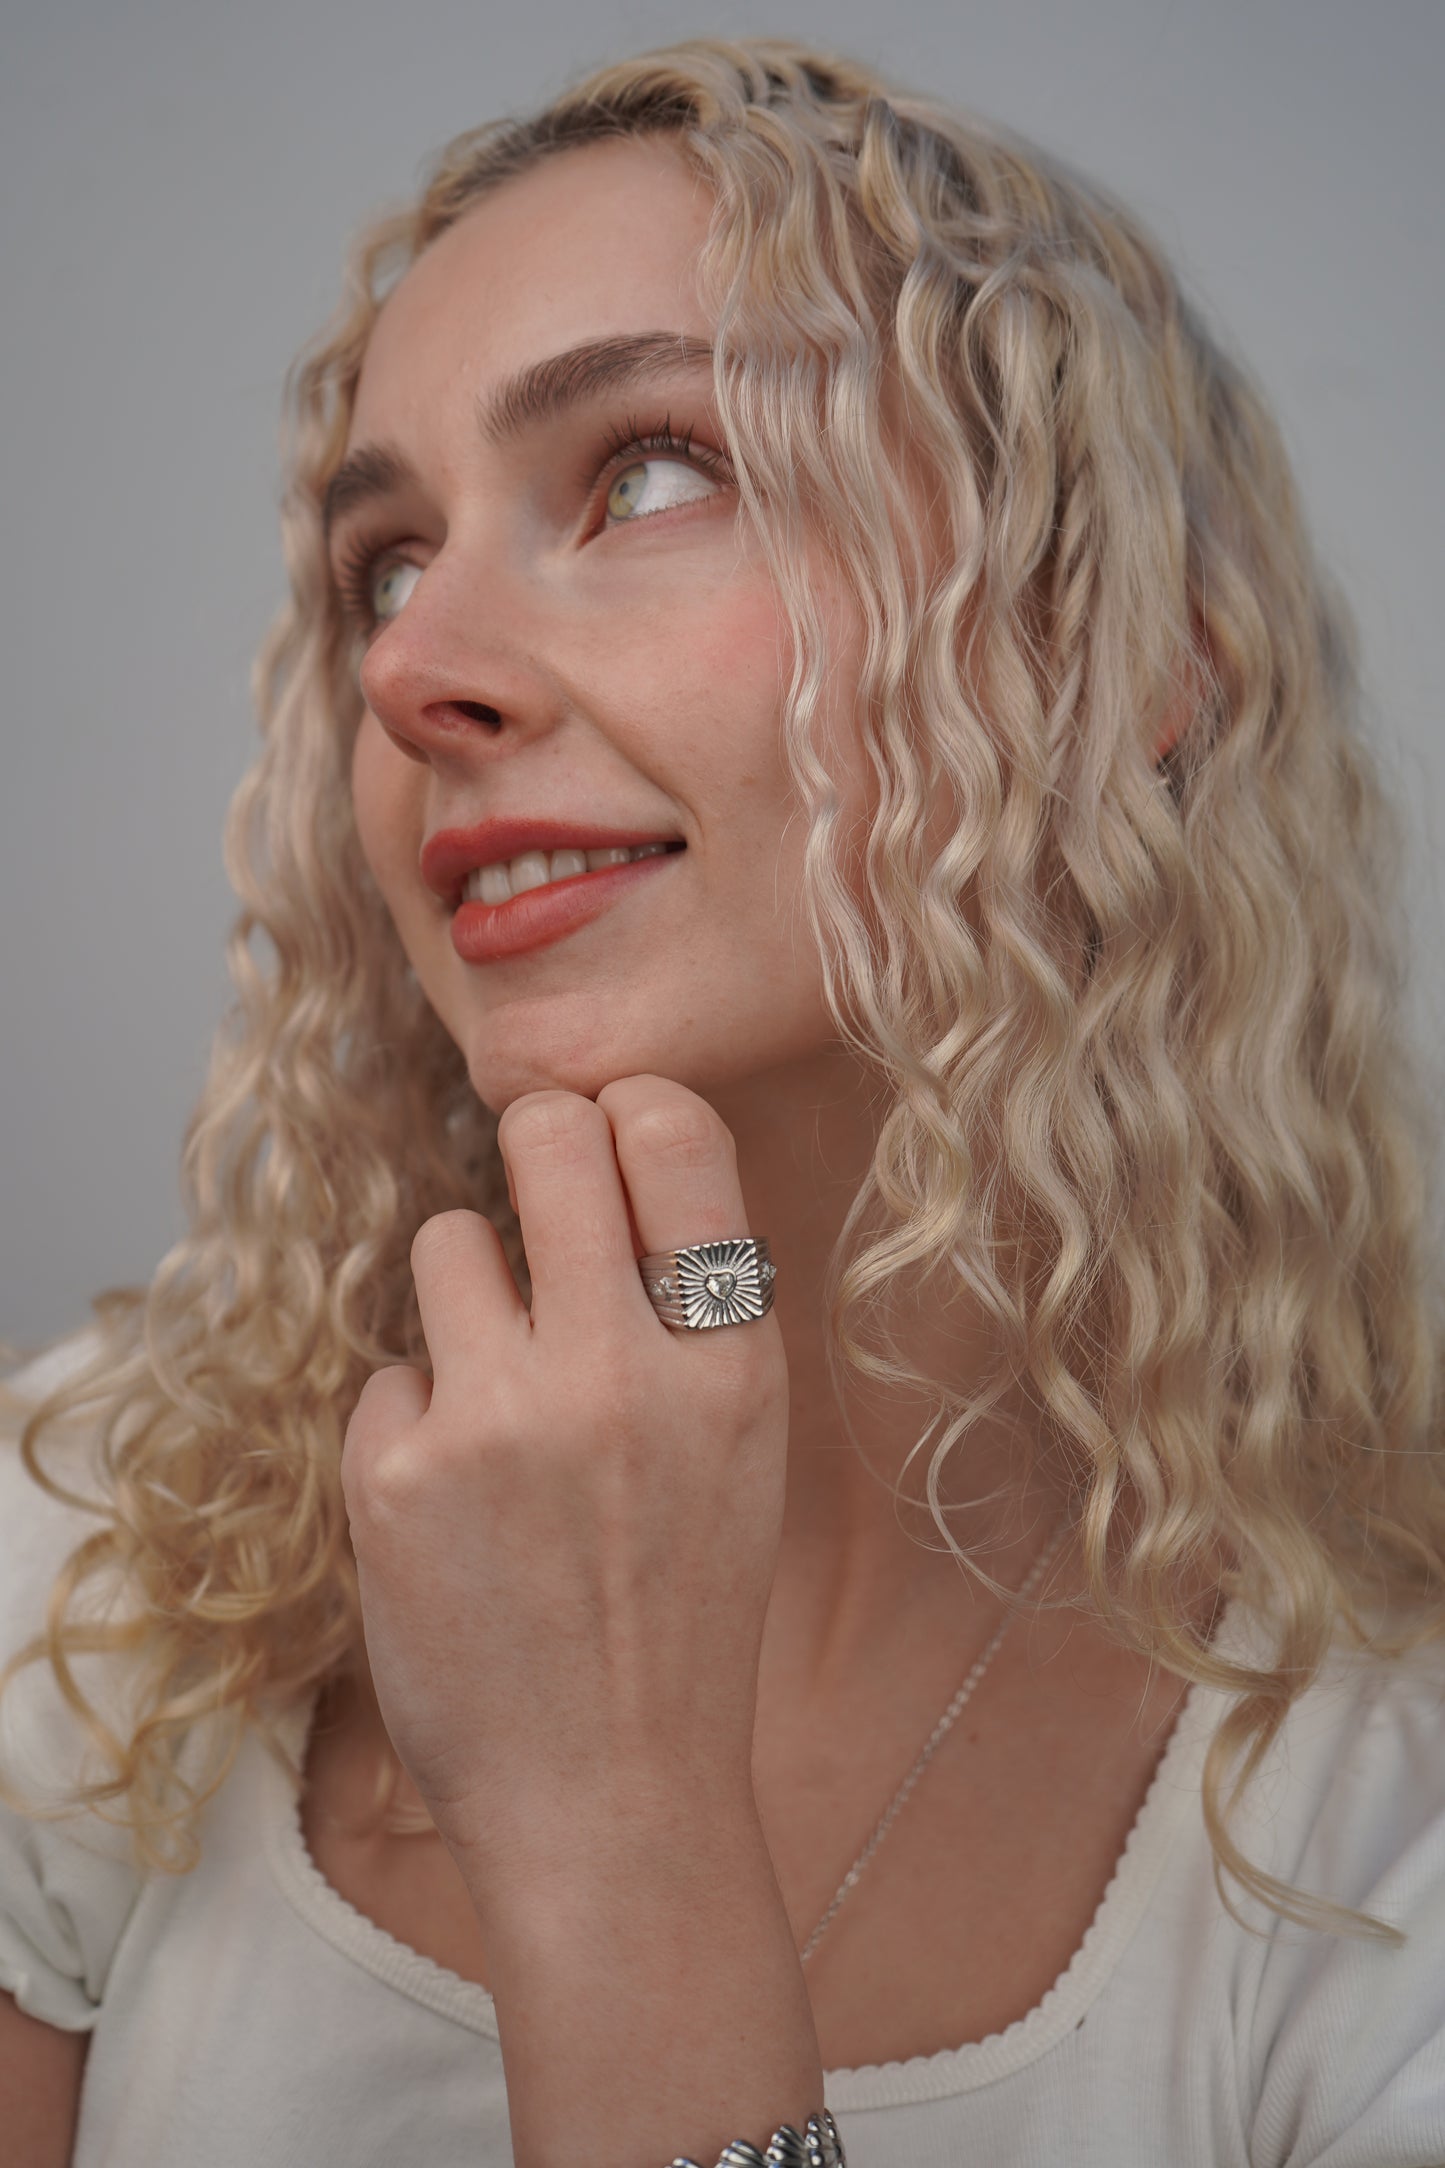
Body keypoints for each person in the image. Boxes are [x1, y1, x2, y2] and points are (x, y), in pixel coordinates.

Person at [2, 33, 1443, 2168]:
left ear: (1120, 654)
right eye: (383, 563)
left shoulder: (1382, 1836)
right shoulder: (96, 1554)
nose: (407, 671)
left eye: (651, 472)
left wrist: (612, 1820)